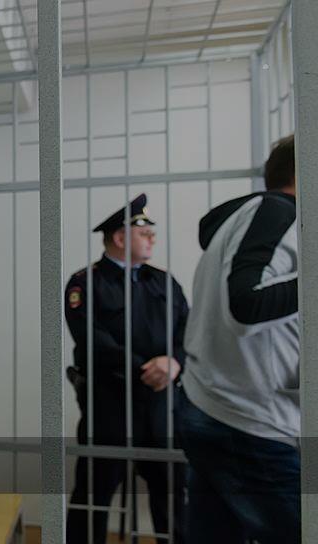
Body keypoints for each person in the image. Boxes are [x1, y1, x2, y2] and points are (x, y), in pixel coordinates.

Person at [176, 134, 300, 543]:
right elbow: (246, 306)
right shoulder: (277, 211)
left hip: (218, 409)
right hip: (249, 423)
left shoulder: (248, 220)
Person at [64, 194, 189, 544]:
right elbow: (93, 341)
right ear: (120, 238)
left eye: (151, 233)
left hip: (162, 406)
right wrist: (145, 370)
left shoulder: (164, 281)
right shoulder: (85, 283)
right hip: (111, 405)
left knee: (172, 493)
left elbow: (188, 331)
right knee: (94, 495)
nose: (153, 239)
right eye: (144, 233)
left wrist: (174, 362)